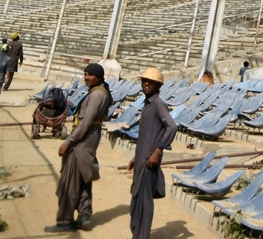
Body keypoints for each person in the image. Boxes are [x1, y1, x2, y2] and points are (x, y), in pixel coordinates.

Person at [45, 63, 112, 233]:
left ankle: (65, 221)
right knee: (83, 177)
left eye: (90, 75)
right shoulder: (99, 91)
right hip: (88, 140)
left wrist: (67, 142)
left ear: (99, 77)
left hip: (81, 142)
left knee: (69, 182)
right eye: (85, 74)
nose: (87, 78)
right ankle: (84, 214)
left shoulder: (97, 95)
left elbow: (86, 123)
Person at [127, 67, 177, 239]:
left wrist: (158, 150)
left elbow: (172, 127)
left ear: (157, 86)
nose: (146, 84)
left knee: (144, 202)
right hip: (141, 158)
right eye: (144, 81)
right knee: (137, 198)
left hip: (149, 160)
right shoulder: (147, 104)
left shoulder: (158, 104)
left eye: (151, 82)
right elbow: (147, 134)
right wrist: (136, 157)